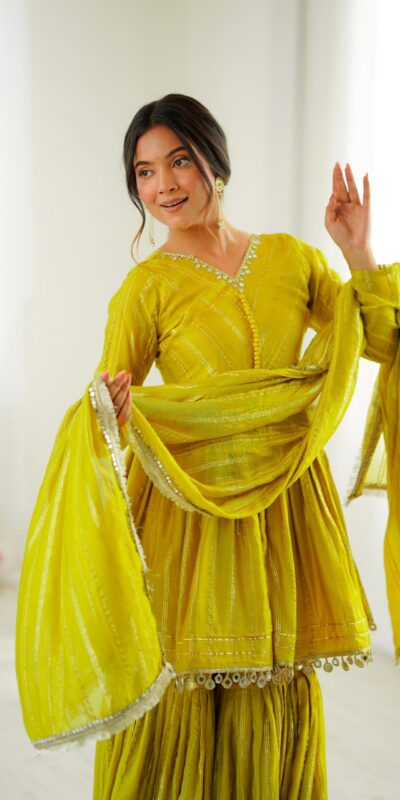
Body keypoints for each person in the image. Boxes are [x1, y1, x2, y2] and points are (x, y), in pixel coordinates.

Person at [15, 94, 400, 799]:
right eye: (144, 172)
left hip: (284, 503)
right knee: (185, 687)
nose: (163, 185)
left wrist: (357, 251)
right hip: (188, 511)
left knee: (273, 682)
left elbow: (378, 342)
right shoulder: (146, 288)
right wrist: (109, 412)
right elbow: (107, 399)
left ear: (214, 160)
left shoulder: (292, 259)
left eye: (178, 162)